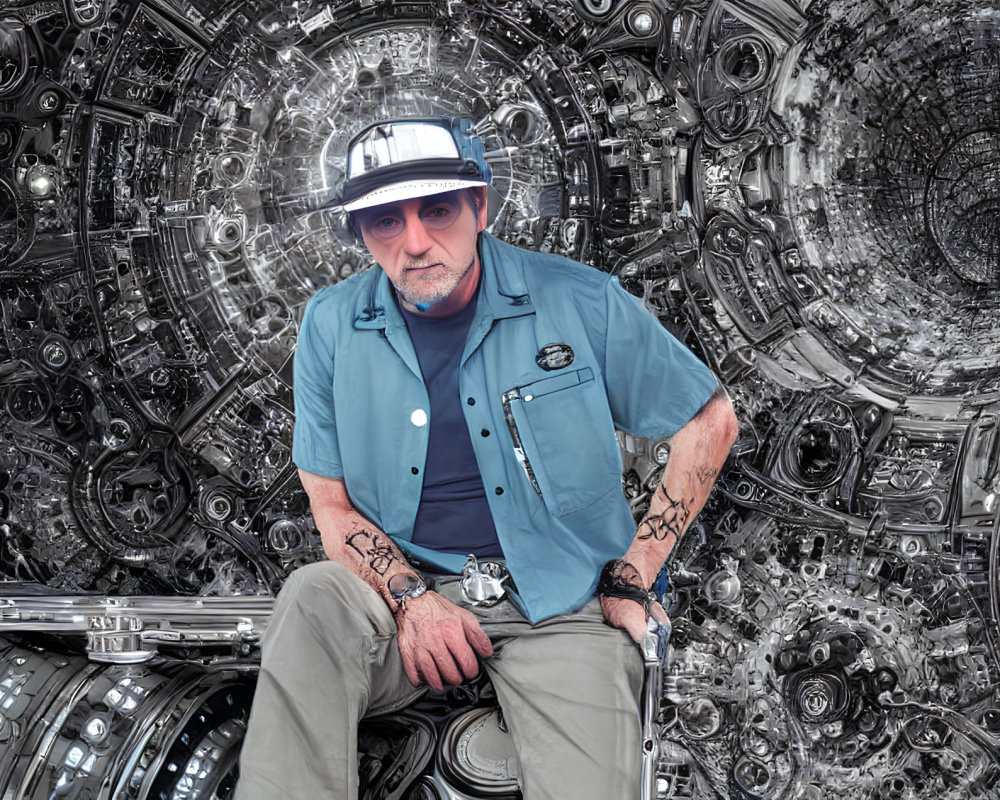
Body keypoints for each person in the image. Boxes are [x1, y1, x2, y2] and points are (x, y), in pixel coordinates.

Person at [234, 117, 739, 799]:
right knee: (311, 597)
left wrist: (636, 572)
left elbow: (709, 420)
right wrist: (411, 599)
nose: (415, 243)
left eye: (437, 209)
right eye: (385, 221)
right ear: (360, 235)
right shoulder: (330, 324)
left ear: (481, 205)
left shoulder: (578, 299)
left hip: (561, 600)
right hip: (400, 599)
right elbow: (331, 504)